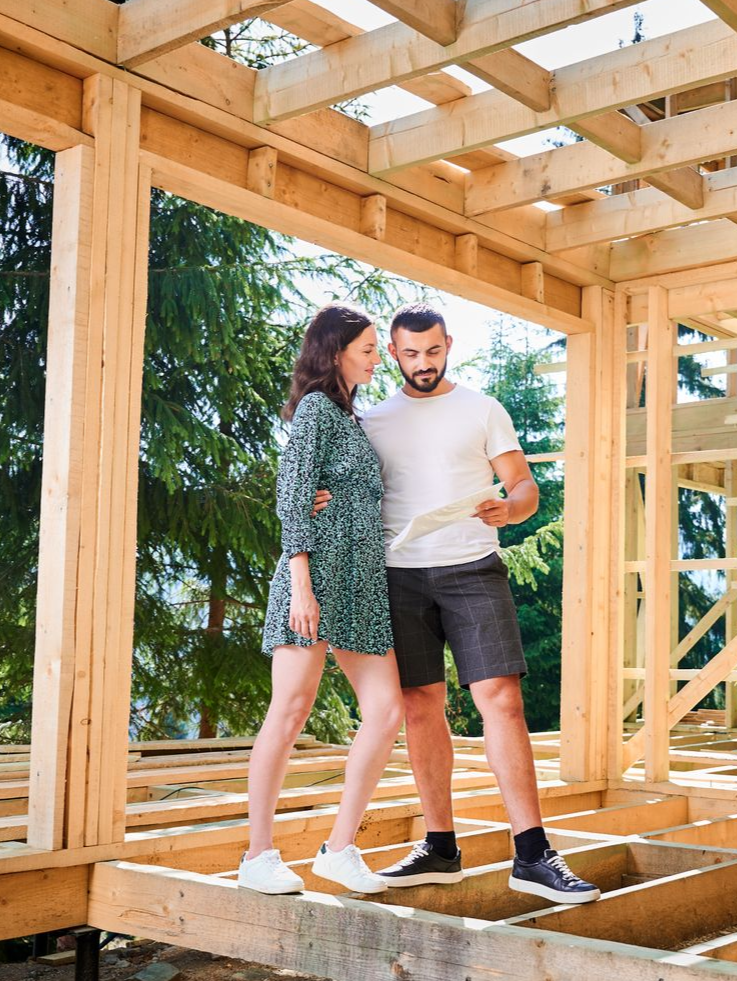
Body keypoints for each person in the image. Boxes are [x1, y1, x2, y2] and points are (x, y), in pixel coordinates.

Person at [353, 304, 599, 903]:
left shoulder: (482, 409)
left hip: (472, 570)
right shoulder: (372, 419)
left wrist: (510, 509)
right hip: (399, 576)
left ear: (448, 345)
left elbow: (525, 488)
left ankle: (533, 853)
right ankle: (440, 847)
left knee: (502, 700)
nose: (423, 365)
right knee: (419, 706)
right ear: (392, 353)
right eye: (410, 354)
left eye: (432, 352)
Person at [238, 304, 404, 897]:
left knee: (386, 712)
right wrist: (302, 583)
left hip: (361, 581)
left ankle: (339, 849)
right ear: (335, 352)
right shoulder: (315, 411)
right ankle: (257, 856)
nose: (376, 357)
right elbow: (293, 494)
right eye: (367, 348)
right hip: (312, 580)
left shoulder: (351, 418)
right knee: (289, 711)